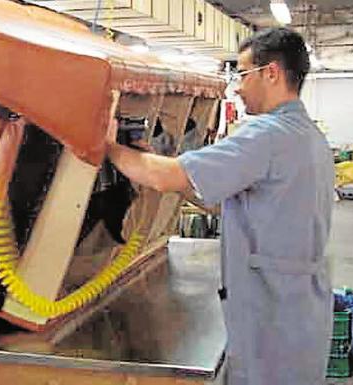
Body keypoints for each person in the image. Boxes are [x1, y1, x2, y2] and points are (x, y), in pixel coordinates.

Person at [106, 28, 334, 385]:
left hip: (272, 315)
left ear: (270, 72)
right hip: (296, 309)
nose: (237, 88)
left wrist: (106, 146)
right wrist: (161, 167)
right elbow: (225, 201)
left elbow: (167, 178)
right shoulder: (306, 134)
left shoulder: (267, 136)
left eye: (242, 75)